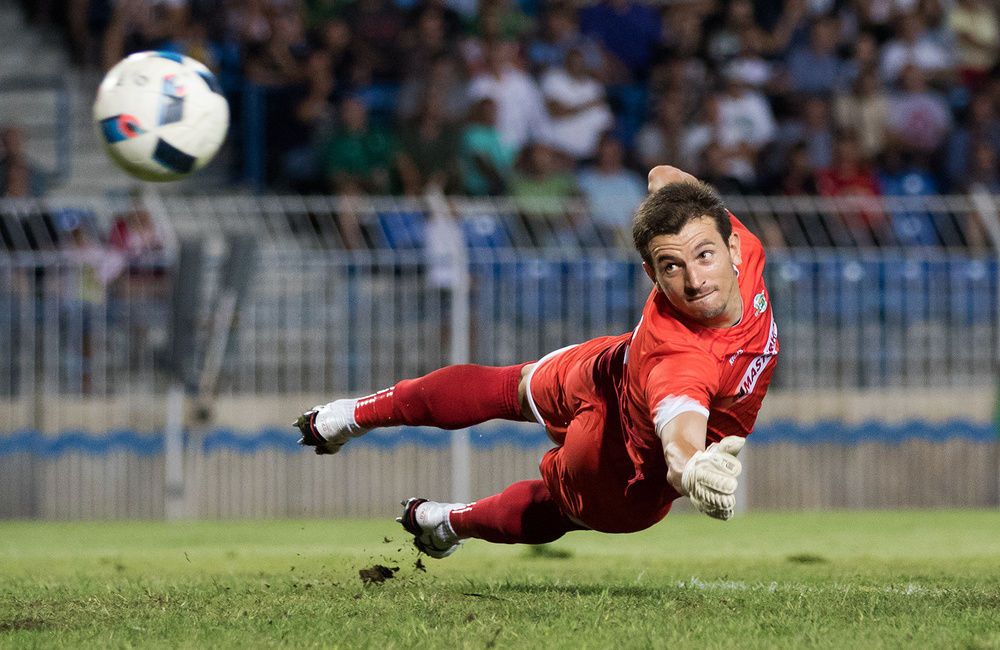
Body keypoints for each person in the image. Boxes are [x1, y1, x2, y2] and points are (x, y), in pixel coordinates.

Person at [294, 165, 779, 557]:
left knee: (512, 386)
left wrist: (671, 189)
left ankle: (346, 417)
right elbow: (680, 439)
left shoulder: (729, 239)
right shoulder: (681, 358)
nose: (695, 280)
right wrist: (691, 470)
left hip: (608, 384)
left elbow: (662, 175)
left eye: (704, 256)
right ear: (651, 274)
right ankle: (445, 522)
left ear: (734, 246)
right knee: (559, 508)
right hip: (620, 454)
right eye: (672, 266)